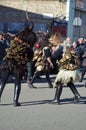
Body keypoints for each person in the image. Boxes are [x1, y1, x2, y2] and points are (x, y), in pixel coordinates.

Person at [0, 36, 34, 106]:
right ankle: (15, 101)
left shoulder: (12, 45)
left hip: (7, 64)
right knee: (18, 83)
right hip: (18, 66)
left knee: (2, 82)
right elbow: (30, 58)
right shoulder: (26, 48)